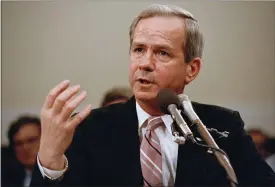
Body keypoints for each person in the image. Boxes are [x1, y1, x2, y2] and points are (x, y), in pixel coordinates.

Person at [30, 4, 275, 187]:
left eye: (162, 53)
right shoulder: (89, 128)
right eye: (138, 49)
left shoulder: (222, 126)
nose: (144, 63)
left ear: (192, 69)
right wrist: (50, 162)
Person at [2, 115, 41, 187]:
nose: (25, 148)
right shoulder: (7, 178)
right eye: (18, 144)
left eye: (31, 140)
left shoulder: (62, 176)